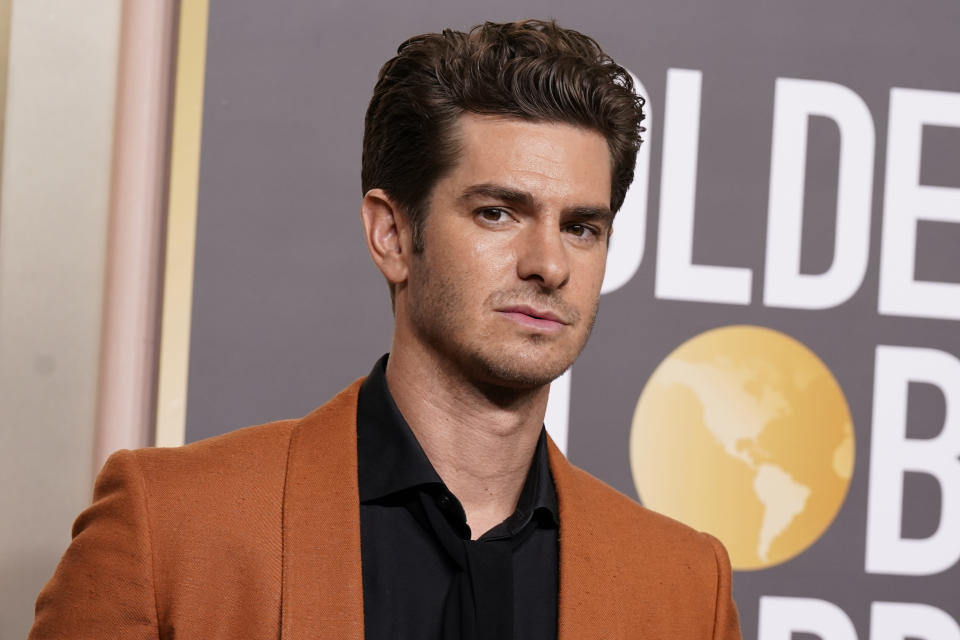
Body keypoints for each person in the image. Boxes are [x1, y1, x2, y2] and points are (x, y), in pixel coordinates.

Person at [29, 19, 741, 640]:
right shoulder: (171, 528)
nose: (549, 264)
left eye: (581, 227)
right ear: (392, 234)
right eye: (498, 212)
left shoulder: (683, 588)